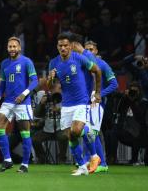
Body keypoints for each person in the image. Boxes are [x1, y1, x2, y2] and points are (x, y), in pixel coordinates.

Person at [48, 33, 102, 176]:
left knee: (76, 131)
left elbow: (97, 70)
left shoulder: (78, 58)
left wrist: (97, 92)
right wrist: (50, 79)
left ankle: (95, 155)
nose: (63, 48)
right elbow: (51, 87)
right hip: (66, 104)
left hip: (81, 101)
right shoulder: (53, 63)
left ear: (71, 46)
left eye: (66, 45)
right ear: (57, 47)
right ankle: (82, 166)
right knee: (70, 136)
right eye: (60, 46)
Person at [0, 37, 38, 173]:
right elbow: (2, 84)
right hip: (8, 102)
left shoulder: (26, 62)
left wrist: (24, 94)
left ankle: (25, 164)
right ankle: (7, 160)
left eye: (14, 47)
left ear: (19, 48)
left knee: (25, 133)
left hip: (22, 103)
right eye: (10, 47)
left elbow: (35, 81)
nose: (12, 49)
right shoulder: (4, 64)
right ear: (7, 48)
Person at [70, 33, 102, 173]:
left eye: (70, 44)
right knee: (81, 130)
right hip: (77, 99)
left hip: (88, 99)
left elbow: (97, 72)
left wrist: (97, 93)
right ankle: (88, 161)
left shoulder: (86, 55)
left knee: (90, 130)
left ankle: (98, 160)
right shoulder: (72, 57)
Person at [85, 40, 118, 172]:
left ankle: (102, 163)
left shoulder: (102, 64)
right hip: (84, 101)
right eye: (86, 49)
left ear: (96, 51)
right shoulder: (82, 64)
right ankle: (92, 161)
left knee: (92, 132)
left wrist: (99, 94)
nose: (88, 52)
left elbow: (114, 84)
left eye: (91, 49)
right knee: (88, 132)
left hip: (96, 103)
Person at [33, 89, 68, 164]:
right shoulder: (46, 97)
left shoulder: (66, 97)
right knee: (35, 139)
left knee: (63, 136)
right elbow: (36, 114)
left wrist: (60, 110)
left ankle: (62, 159)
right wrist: (41, 104)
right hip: (47, 130)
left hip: (60, 128)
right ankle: (42, 158)